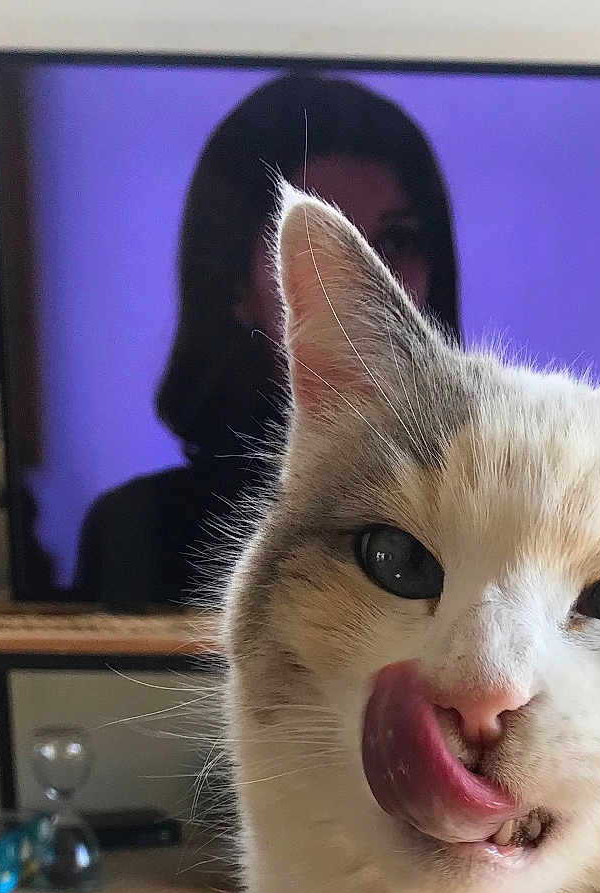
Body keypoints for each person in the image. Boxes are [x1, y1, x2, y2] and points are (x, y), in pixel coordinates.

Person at [72, 71, 461, 608]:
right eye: (321, 243)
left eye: (397, 240)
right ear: (233, 282)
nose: (369, 278)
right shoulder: (134, 527)